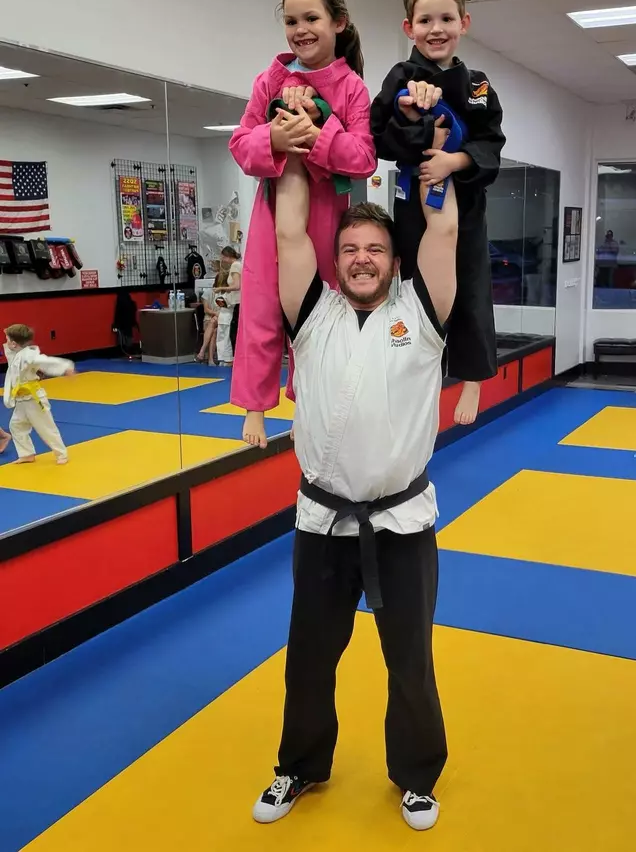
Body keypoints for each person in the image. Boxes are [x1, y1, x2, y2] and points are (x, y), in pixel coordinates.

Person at [252, 114, 456, 832]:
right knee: (309, 657)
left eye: (375, 249)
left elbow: (443, 233)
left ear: (394, 262)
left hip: (401, 521)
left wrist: (439, 161)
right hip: (323, 521)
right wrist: (290, 148)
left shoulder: (422, 316)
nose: (362, 259)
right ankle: (299, 766)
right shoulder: (314, 315)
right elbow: (288, 234)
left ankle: (418, 777)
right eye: (349, 249)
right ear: (335, 260)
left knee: (410, 659)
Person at [229, 0, 376, 449]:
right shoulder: (269, 80)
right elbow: (240, 144)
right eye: (291, 21)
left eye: (311, 18)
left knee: (318, 310)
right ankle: (254, 405)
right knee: (261, 302)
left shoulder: (351, 87)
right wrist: (272, 136)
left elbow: (364, 158)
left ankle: (307, 400)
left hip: (326, 215)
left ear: (338, 22)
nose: (301, 30)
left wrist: (318, 132)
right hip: (272, 213)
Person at [370, 0, 505, 426]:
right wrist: (411, 117)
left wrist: (453, 162)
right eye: (425, 20)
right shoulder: (400, 77)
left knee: (469, 281)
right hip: (415, 200)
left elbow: (491, 144)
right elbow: (379, 139)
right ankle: (415, 369)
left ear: (464, 23)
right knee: (413, 284)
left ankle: (473, 376)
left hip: (464, 203)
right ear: (409, 28)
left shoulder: (478, 85)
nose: (436, 29)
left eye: (447, 18)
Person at [3, 324, 74, 464]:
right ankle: (27, 454)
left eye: (7, 339)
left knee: (46, 427)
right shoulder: (17, 354)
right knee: (16, 426)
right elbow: (10, 354)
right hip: (21, 399)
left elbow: (44, 361)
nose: (5, 342)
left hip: (34, 399)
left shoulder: (29, 355)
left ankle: (61, 454)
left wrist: (64, 367)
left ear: (14, 343)